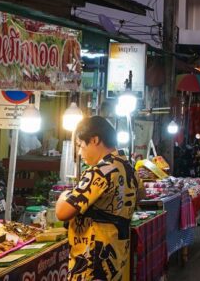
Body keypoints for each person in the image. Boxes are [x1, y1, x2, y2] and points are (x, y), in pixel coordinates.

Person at [56, 116, 138, 281]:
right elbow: (140, 195)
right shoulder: (127, 167)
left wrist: (63, 195)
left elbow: (62, 213)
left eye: (80, 145)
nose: (80, 152)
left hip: (93, 260)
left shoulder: (100, 171)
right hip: (117, 255)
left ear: (94, 140)